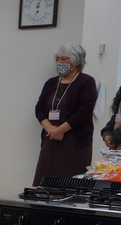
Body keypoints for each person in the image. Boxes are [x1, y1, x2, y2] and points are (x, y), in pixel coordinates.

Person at [32, 43, 98, 185]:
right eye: (57, 59)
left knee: (70, 187)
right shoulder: (51, 83)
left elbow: (84, 112)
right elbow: (39, 108)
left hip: (75, 143)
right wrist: (50, 128)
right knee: (43, 186)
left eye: (64, 59)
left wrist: (60, 130)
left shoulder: (86, 82)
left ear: (77, 61)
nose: (59, 62)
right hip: (50, 139)